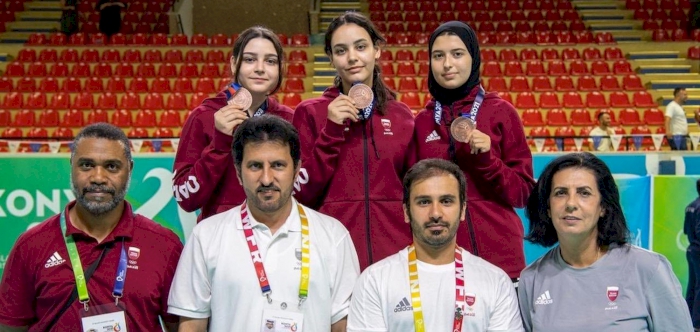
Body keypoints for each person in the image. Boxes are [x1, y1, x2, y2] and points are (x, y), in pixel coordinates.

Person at [167, 115, 360, 331]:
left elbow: (342, 325)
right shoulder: (206, 236)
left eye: (278, 165)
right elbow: (192, 325)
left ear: (296, 170)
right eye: (255, 166)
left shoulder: (333, 236)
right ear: (239, 173)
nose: (267, 179)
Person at [0, 123, 183, 331]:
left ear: (130, 169)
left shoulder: (164, 246)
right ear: (72, 166)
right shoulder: (31, 245)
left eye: (112, 166)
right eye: (86, 165)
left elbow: (180, 327)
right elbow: (10, 327)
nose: (98, 178)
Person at [411, 21, 535, 283]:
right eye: (438, 55)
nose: (447, 64)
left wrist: (489, 161)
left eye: (457, 54)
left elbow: (523, 194)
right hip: (441, 261)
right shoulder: (422, 121)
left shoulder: (501, 112)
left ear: (474, 57)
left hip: (501, 258)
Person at [292, 11, 415, 270]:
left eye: (361, 47)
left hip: (394, 258)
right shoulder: (310, 113)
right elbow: (298, 192)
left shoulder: (401, 115)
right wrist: (331, 131)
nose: (352, 58)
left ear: (376, 50)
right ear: (331, 58)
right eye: (341, 50)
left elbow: (414, 190)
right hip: (331, 258)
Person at [518, 152, 693, 332]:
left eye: (584, 193)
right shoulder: (531, 279)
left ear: (603, 207)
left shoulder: (649, 268)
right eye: (560, 193)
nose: (571, 203)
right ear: (547, 208)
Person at [346, 159, 523, 331]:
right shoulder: (374, 281)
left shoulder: (495, 281)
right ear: (406, 211)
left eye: (446, 201)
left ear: (462, 210)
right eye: (424, 202)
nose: (435, 213)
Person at [173, 26, 294, 221]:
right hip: (221, 239)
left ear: (279, 68)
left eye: (270, 61)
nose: (260, 68)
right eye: (249, 59)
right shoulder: (204, 117)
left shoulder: (290, 120)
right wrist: (219, 146)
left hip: (277, 236)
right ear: (233, 63)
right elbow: (186, 198)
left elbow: (304, 190)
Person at [685, 179, 700, 330]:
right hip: (698, 250)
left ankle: (687, 319)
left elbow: (686, 230)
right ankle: (697, 323)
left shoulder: (690, 206)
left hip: (691, 250)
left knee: (693, 286)